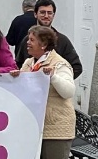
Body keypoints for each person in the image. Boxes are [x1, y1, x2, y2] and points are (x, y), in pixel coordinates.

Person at [11, 25, 75, 159]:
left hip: (55, 129)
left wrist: (53, 77)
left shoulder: (59, 64)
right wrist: (16, 79)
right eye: (29, 39)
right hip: (34, 125)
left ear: (44, 44)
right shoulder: (29, 63)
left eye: (32, 40)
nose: (27, 43)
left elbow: (68, 92)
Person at [13, 0, 82, 78]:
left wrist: (60, 81)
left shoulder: (62, 40)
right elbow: (18, 64)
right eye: (42, 12)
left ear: (53, 15)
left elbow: (77, 67)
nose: (46, 16)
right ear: (35, 14)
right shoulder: (27, 40)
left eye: (49, 13)